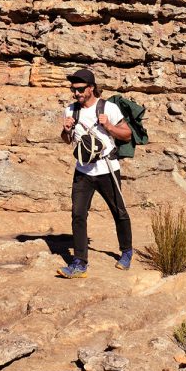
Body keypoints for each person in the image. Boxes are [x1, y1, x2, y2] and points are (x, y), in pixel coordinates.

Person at [57, 67, 134, 278]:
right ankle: (80, 262)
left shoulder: (108, 108)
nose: (76, 94)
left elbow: (126, 135)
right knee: (78, 215)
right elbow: (67, 140)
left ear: (91, 88)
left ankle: (126, 251)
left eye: (81, 89)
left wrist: (108, 125)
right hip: (83, 170)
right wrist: (65, 130)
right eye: (73, 89)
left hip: (107, 169)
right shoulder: (70, 110)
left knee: (118, 211)